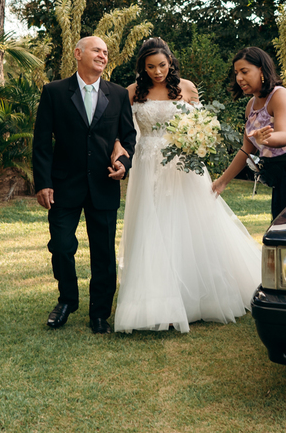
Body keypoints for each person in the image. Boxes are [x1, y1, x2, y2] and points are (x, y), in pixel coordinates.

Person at [112, 38, 261, 334]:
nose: (157, 72)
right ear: (142, 66)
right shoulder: (131, 92)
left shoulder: (187, 88)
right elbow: (121, 131)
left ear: (171, 61)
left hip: (183, 166)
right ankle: (158, 301)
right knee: (151, 226)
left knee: (187, 224)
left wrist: (198, 141)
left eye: (162, 66)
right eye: (151, 67)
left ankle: (194, 297)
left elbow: (203, 123)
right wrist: (119, 149)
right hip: (147, 166)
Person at [32, 36, 136, 334]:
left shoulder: (117, 95)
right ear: (78, 54)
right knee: (62, 246)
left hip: (104, 183)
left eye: (105, 52)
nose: (103, 55)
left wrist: (123, 165)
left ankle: (100, 313)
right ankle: (67, 301)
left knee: (103, 253)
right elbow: (41, 143)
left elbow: (128, 139)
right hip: (64, 185)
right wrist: (44, 182)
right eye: (96, 50)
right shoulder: (54, 92)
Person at [211, 47, 286, 219]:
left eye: (244, 71)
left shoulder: (280, 96)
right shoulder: (250, 106)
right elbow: (246, 150)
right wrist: (222, 182)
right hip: (279, 175)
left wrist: (265, 139)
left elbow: (283, 136)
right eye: (236, 73)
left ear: (262, 70)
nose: (239, 78)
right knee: (281, 232)